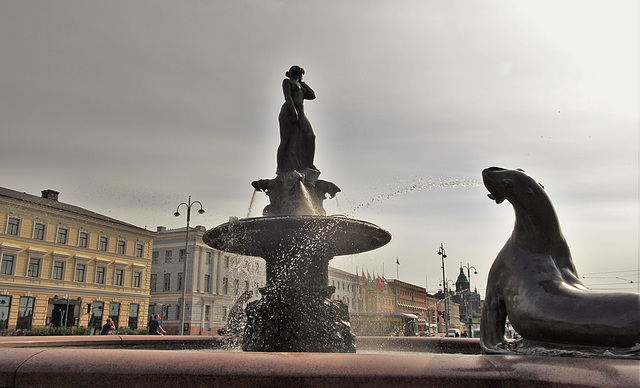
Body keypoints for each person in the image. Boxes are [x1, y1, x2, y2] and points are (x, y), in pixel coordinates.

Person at [276, 65, 317, 174]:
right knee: (285, 141)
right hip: (288, 112)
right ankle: (280, 167)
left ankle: (309, 163)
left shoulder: (302, 86)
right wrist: (293, 111)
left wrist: (303, 82)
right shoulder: (287, 82)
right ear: (297, 73)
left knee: (310, 136)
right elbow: (287, 96)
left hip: (301, 114)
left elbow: (312, 95)